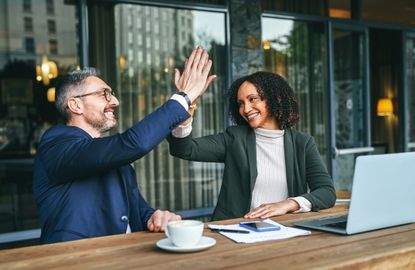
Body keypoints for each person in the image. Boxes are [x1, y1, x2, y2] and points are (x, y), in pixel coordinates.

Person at [33, 47, 216, 243]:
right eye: (104, 94)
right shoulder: (55, 144)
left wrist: (155, 217)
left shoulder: (112, 155)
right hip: (77, 259)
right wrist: (183, 97)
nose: (115, 101)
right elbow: (134, 143)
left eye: (112, 93)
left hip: (125, 255)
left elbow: (138, 211)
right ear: (75, 105)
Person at [168, 71, 336, 221]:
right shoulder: (235, 138)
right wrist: (185, 107)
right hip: (236, 232)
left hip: (285, 231)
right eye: (241, 103)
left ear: (275, 98)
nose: (245, 109)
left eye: (252, 99)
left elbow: (326, 192)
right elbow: (184, 148)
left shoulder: (302, 143)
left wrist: (288, 204)